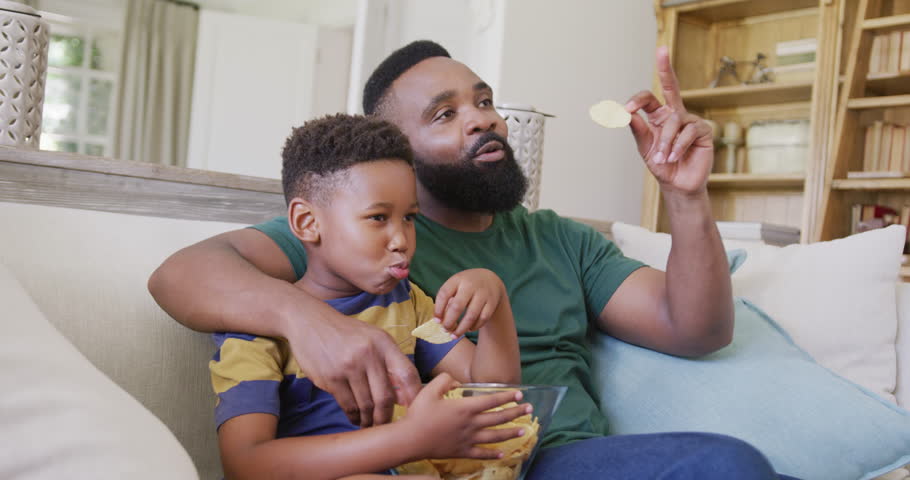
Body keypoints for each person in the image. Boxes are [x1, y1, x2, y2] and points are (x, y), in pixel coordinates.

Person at [150, 40, 800, 479]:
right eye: (445, 114)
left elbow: (698, 329)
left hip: (559, 458)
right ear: (393, 151)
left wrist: (684, 197)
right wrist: (310, 322)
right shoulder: (359, 247)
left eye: (484, 102)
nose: (483, 120)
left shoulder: (561, 239)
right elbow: (179, 276)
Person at [210, 113, 526, 479]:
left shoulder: (407, 303)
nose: (401, 240)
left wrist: (496, 303)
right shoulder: (256, 328)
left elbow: (491, 394)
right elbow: (245, 464)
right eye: (378, 218)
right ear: (307, 223)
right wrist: (411, 438)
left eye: (409, 218)